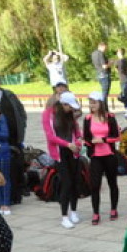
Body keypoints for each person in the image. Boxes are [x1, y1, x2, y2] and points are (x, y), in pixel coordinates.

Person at [0, 75, 27, 205]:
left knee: (18, 164)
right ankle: (6, 195)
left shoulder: (9, 95)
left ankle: (19, 191)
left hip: (14, 135)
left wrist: (22, 124)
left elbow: (20, 110)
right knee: (4, 167)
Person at [44, 92, 83, 229]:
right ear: (63, 104)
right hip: (60, 152)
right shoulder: (49, 114)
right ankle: (64, 216)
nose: (71, 109)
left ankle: (74, 211)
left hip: (73, 151)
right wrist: (68, 144)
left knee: (75, 182)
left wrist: (78, 141)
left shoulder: (70, 114)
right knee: (66, 183)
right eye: (69, 106)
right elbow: (51, 136)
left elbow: (77, 132)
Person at [83, 90, 120, 224]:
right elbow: (86, 138)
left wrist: (103, 140)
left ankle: (113, 209)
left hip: (109, 155)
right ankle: (96, 212)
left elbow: (116, 136)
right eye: (90, 102)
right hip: (96, 156)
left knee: (112, 182)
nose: (92, 105)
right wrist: (90, 142)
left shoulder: (110, 117)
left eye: (94, 102)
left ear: (100, 103)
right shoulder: (87, 119)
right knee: (95, 185)